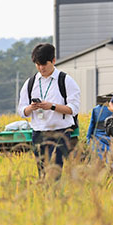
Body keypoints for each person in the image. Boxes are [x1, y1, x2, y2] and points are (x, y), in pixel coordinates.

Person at [17, 43, 80, 179]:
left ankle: (54, 197)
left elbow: (73, 109)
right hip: (38, 134)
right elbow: (21, 110)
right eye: (38, 64)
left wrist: (52, 106)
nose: (41, 68)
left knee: (54, 172)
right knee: (42, 174)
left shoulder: (66, 81)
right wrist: (31, 108)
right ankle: (45, 198)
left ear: (53, 60)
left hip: (60, 133)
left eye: (44, 64)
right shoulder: (30, 82)